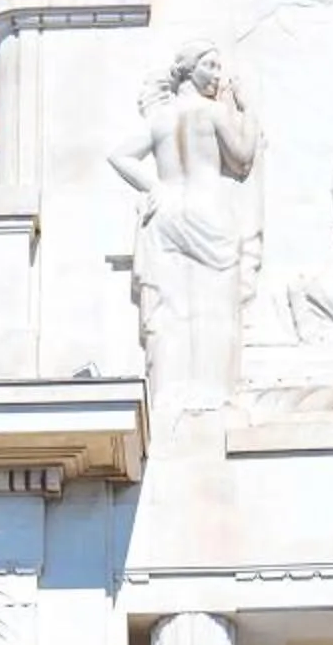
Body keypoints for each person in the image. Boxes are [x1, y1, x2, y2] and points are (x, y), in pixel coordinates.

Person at [109, 41, 259, 402]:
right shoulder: (213, 112)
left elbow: (120, 156)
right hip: (208, 212)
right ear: (190, 69)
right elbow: (241, 158)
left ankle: (169, 391)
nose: (218, 74)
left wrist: (153, 186)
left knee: (169, 308)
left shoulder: (160, 116)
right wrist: (247, 109)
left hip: (166, 212)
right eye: (210, 65)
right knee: (217, 308)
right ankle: (215, 393)